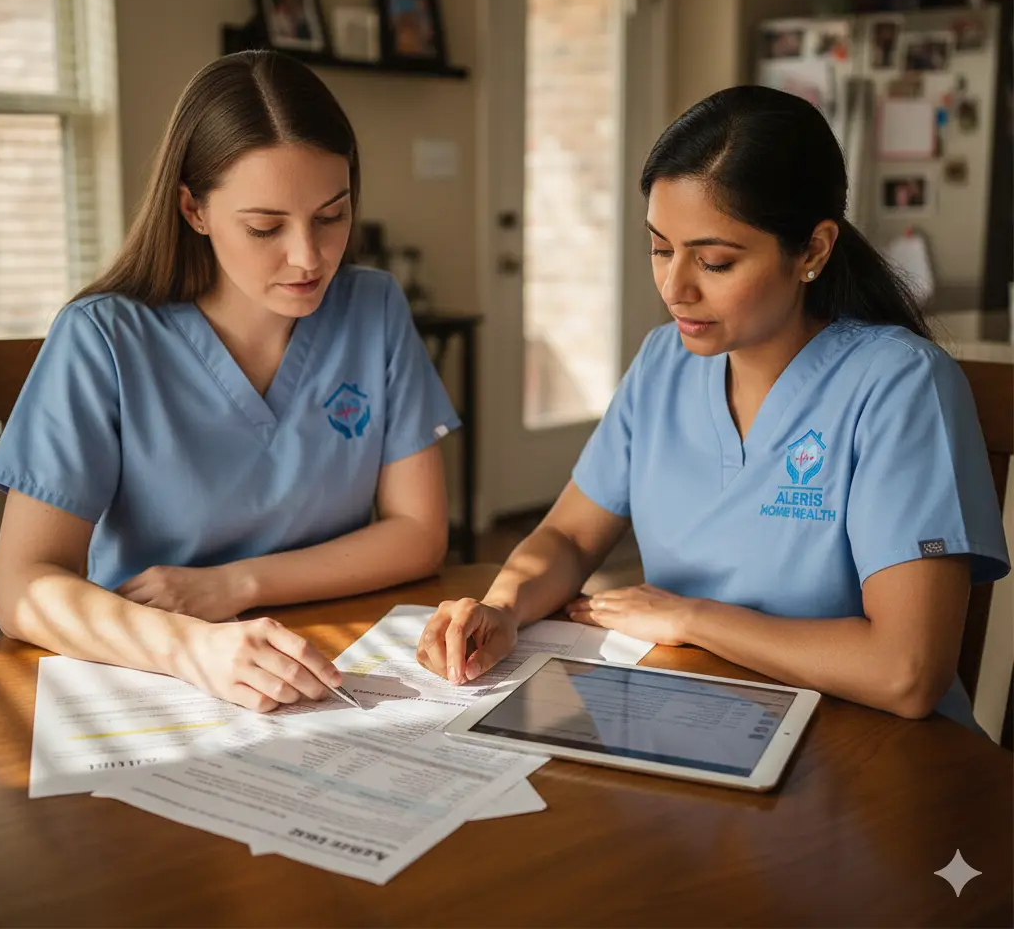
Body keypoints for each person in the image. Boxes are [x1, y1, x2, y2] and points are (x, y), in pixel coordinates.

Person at [416, 85, 1009, 729]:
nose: (675, 288)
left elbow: (907, 672)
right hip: (699, 719)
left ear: (812, 250)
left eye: (715, 261)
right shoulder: (662, 364)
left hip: (873, 758)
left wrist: (689, 617)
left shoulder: (900, 386)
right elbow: (566, 535)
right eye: (661, 249)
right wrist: (503, 606)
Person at [0, 50, 459, 713]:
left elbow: (418, 532)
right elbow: (21, 585)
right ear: (193, 209)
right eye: (266, 226)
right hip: (152, 678)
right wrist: (187, 646)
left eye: (332, 215)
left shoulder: (373, 308)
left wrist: (232, 586)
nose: (309, 257)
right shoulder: (103, 339)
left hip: (337, 652)